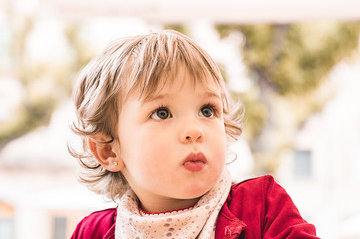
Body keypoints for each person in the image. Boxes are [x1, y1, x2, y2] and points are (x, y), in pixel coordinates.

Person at [69, 30, 319, 239]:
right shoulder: (92, 232)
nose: (194, 130)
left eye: (207, 110)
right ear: (109, 151)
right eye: (162, 113)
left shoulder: (263, 207)